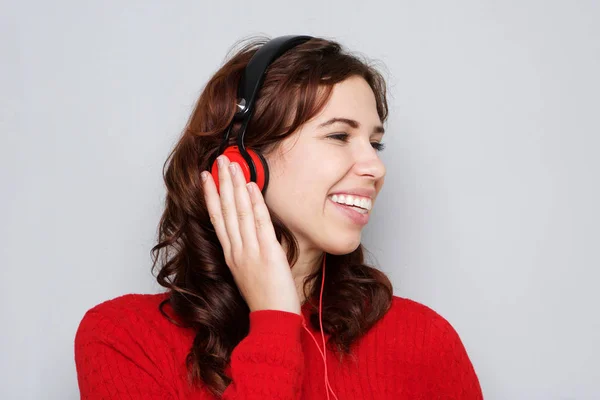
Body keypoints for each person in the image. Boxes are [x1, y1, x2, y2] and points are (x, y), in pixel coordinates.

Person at [74, 35, 484, 399]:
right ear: (241, 161)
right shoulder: (123, 338)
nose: (375, 168)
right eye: (339, 135)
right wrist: (274, 321)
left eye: (375, 144)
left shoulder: (425, 340)